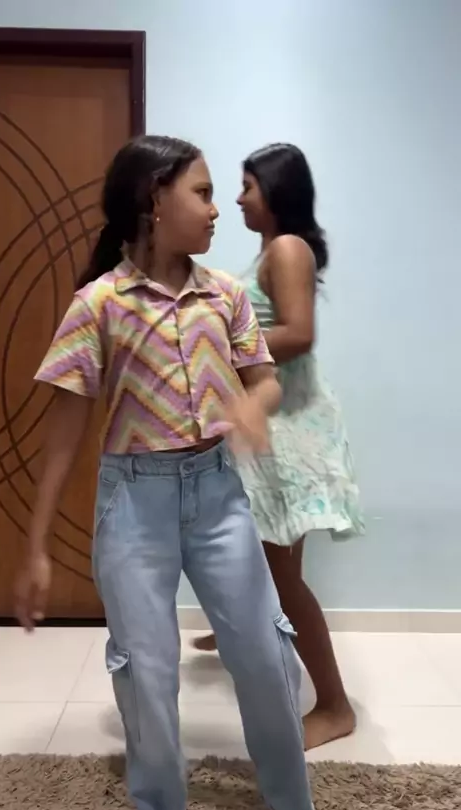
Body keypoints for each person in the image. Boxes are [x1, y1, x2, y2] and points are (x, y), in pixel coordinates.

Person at [14, 136, 332, 810]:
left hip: (219, 497)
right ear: (154, 199)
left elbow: (265, 379)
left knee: (265, 654)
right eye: (203, 192)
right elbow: (64, 431)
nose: (216, 210)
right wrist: (35, 547)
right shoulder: (98, 304)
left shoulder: (224, 296)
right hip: (134, 505)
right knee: (145, 670)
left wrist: (254, 405)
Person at [194, 143, 364, 751]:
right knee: (261, 556)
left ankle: (336, 707)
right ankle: (237, 628)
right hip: (276, 425)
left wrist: (217, 341)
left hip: (290, 431)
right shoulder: (270, 250)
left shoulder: (288, 247)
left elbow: (298, 334)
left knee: (284, 575)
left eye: (247, 186)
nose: (237, 199)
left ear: (276, 189)